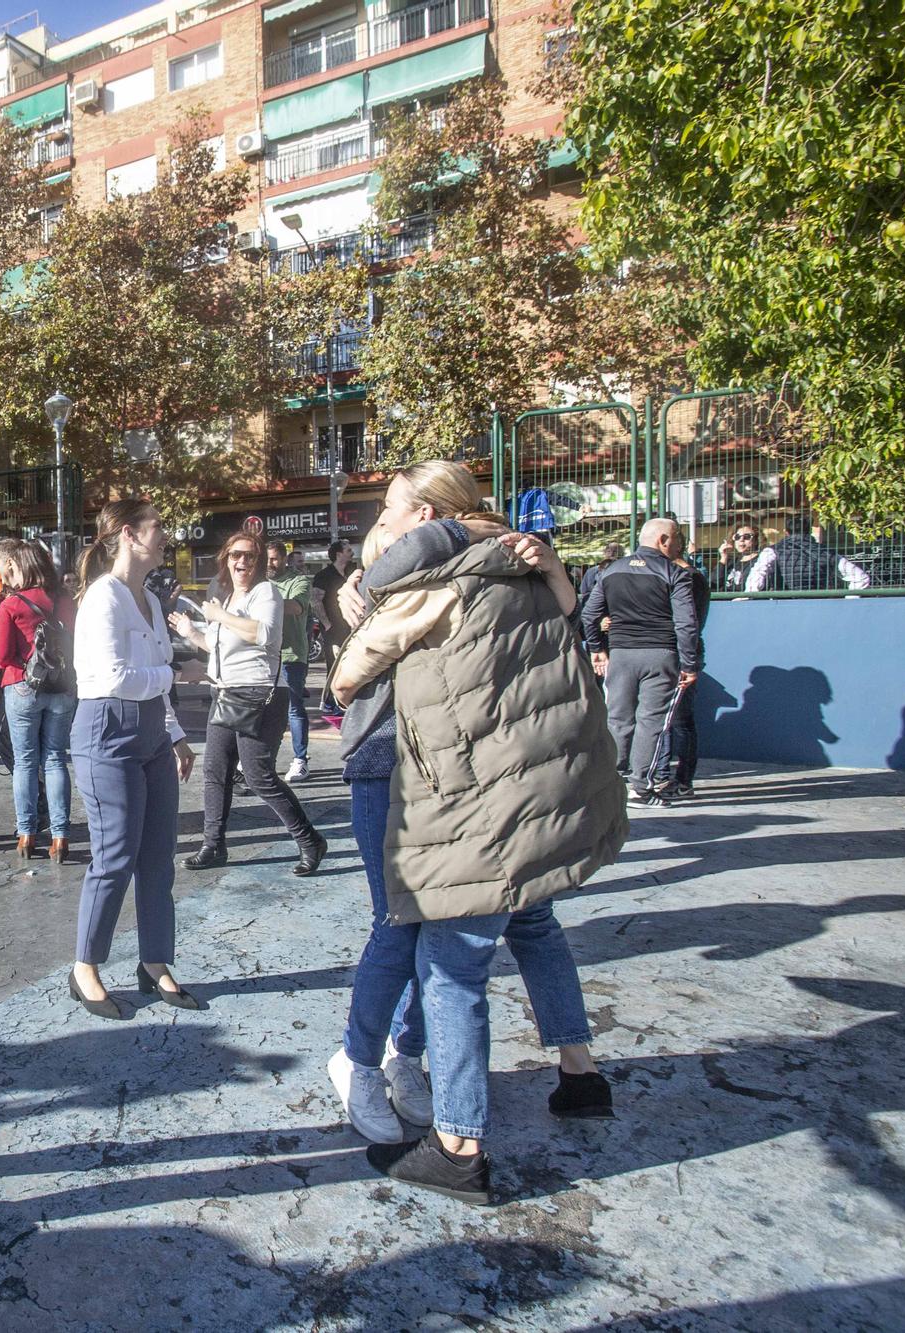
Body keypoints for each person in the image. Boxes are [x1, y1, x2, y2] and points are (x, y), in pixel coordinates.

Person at [331, 459, 624, 1204]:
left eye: (394, 509)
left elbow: (345, 675)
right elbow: (566, 617)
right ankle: (580, 1075)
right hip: (545, 796)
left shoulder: (434, 579)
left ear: (428, 516)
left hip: (482, 803)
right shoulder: (524, 559)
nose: (385, 521)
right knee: (536, 923)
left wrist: (358, 614)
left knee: (451, 961)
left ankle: (458, 1144)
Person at [67, 498, 199, 1019]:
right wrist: (178, 678)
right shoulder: (104, 597)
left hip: (148, 733)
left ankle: (155, 963)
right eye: (157, 526)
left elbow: (154, 671)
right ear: (127, 534)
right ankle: (85, 968)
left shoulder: (145, 595)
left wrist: (175, 734)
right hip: (107, 731)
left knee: (158, 854)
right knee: (115, 855)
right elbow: (117, 678)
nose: (165, 535)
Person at [170, 532, 326, 877]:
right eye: (236, 555)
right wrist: (189, 631)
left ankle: (309, 839)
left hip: (261, 694)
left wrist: (219, 616)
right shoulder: (226, 598)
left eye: (250, 556)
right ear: (226, 558)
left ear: (258, 562)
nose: (242, 562)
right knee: (215, 772)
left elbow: (264, 634)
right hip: (225, 692)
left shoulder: (265, 592)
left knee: (258, 776)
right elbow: (218, 646)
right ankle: (213, 845)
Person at [582, 518, 702, 804]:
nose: (680, 545)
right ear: (663, 540)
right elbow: (687, 624)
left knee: (618, 718)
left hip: (621, 654)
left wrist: (597, 648)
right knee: (652, 722)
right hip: (661, 655)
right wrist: (690, 664)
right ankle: (642, 788)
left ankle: (610, 782)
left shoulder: (612, 570)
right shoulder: (675, 573)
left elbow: (589, 614)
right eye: (677, 538)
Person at [0, 538, 76, 861]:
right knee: (55, 758)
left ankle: (26, 834)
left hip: (22, 686)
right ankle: (60, 837)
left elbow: (1, 657)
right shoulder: (66, 600)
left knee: (25, 763)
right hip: (62, 687)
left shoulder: (11, 605)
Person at [660, 532, 713, 798]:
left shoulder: (688, 578)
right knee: (671, 720)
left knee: (680, 721)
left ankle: (682, 780)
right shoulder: (685, 576)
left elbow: (688, 623)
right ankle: (671, 777)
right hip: (681, 653)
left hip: (682, 654)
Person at [267, 540, 322, 781]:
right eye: (266, 559)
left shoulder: (298, 581)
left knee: (293, 708)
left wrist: (260, 598)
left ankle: (301, 760)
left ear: (284, 559)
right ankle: (262, 760)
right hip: (265, 655)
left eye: (274, 558)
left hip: (291, 656)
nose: (270, 563)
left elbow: (296, 608)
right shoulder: (260, 581)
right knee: (262, 709)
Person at [747, 515, 872, 591]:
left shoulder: (772, 551)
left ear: (786, 532)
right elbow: (860, 578)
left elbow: (757, 575)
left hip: (784, 606)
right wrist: (850, 603)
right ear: (810, 531)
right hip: (818, 606)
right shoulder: (826, 552)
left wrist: (749, 597)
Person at [312, 539, 355, 715]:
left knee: (352, 664)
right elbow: (315, 601)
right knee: (335, 665)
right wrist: (327, 624)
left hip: (352, 627)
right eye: (348, 549)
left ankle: (348, 700)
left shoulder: (353, 572)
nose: (352, 552)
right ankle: (332, 701)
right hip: (333, 628)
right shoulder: (324, 575)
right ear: (339, 554)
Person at [715, 524, 763, 591]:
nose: (741, 539)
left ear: (756, 540)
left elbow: (747, 587)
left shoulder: (760, 561)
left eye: (747, 537)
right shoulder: (730, 561)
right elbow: (713, 584)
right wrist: (723, 558)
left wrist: (722, 590)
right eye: (737, 537)